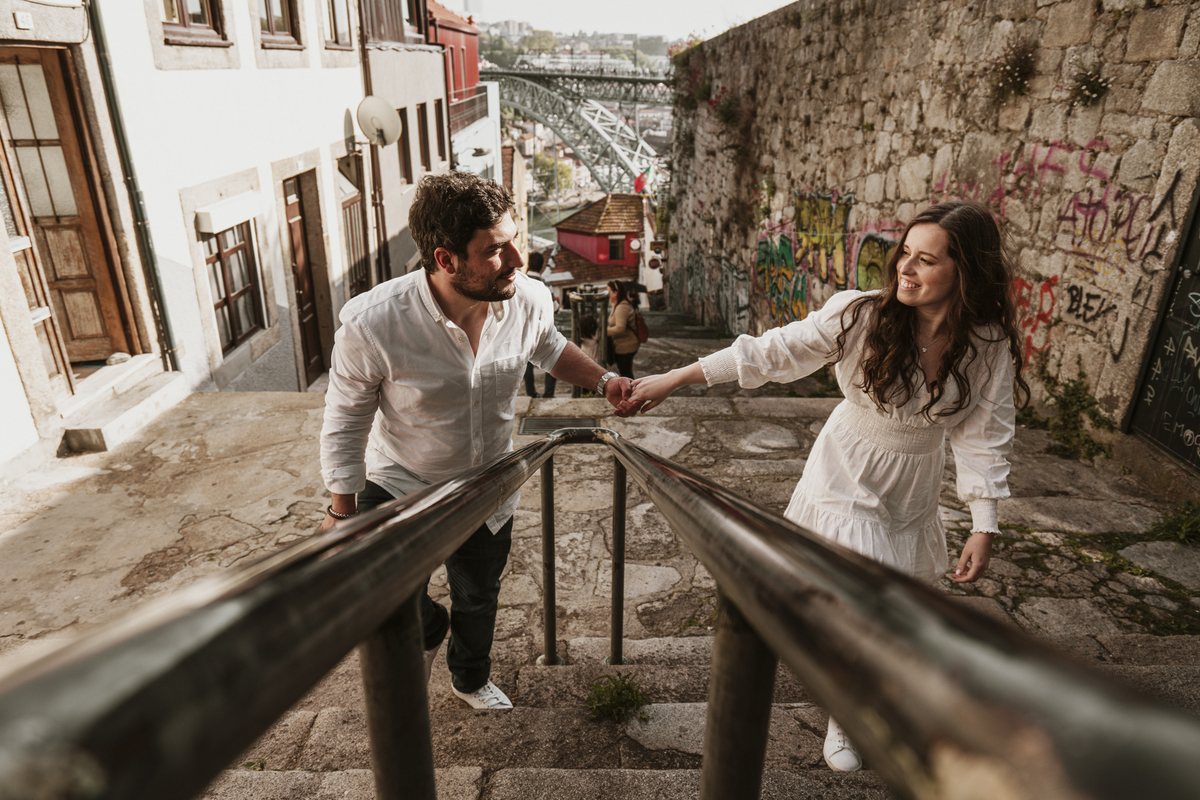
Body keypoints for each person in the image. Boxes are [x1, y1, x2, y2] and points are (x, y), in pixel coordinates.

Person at [627, 201, 1028, 771]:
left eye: (927, 261)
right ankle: (850, 713)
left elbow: (985, 436)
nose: (906, 271)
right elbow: (771, 352)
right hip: (848, 467)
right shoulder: (860, 314)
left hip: (914, 479)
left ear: (965, 273)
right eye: (904, 255)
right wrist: (673, 379)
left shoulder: (987, 344)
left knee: (894, 601)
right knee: (864, 597)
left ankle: (868, 691)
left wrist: (984, 522)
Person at [320, 172, 634, 711]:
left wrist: (606, 382)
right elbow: (346, 418)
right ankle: (423, 626)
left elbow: (550, 348)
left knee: (478, 593)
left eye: (516, 239)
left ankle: (468, 678)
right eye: (495, 250)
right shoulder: (374, 324)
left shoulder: (528, 299)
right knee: (379, 591)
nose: (519, 258)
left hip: (489, 480)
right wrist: (343, 513)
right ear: (445, 260)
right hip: (400, 478)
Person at [523, 251, 557, 398]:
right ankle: (549, 394)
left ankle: (531, 393)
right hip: (542, 329)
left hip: (523, 329)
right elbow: (555, 307)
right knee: (552, 359)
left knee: (527, 364)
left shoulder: (519, 283)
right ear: (542, 266)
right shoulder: (546, 286)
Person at [606, 280, 640, 379]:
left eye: (609, 292)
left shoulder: (621, 307)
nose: (607, 295)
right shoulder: (616, 304)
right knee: (624, 372)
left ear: (615, 293)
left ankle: (632, 393)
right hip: (621, 345)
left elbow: (620, 328)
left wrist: (604, 332)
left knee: (626, 373)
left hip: (626, 346)